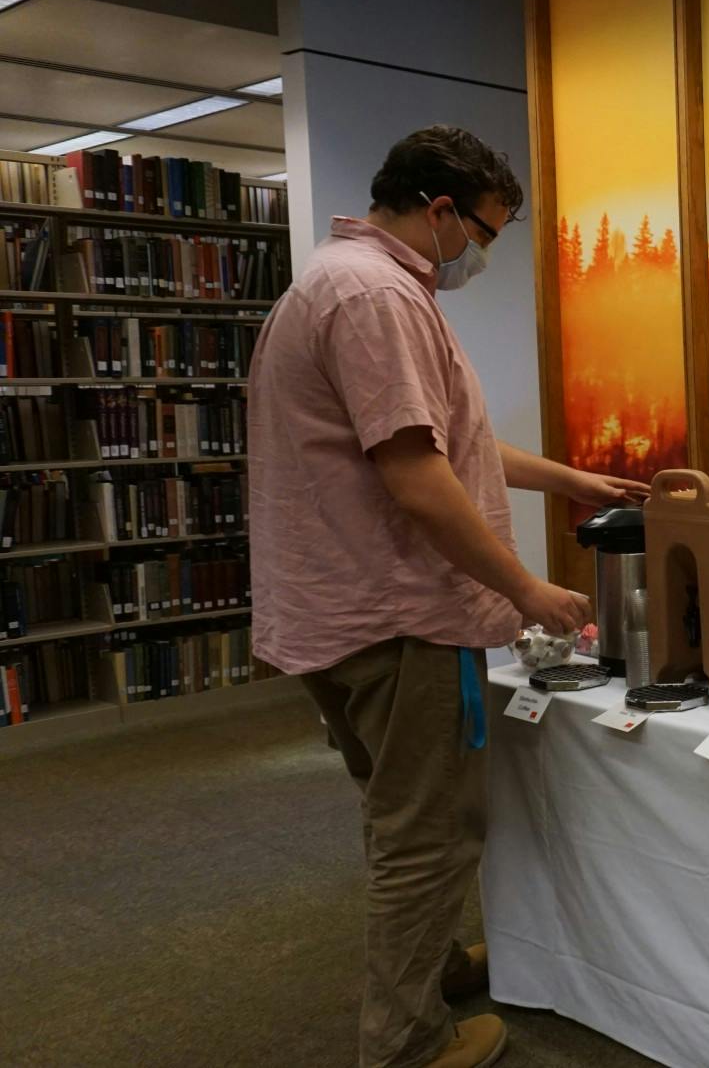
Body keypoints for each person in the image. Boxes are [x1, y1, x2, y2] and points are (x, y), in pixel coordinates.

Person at [247, 125, 647, 1068]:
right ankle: (407, 1042)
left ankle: (422, 970)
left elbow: (451, 437)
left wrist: (571, 483)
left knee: (400, 814)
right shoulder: (379, 295)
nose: (483, 254)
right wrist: (526, 590)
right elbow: (417, 474)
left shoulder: (341, 279)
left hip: (337, 611)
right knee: (428, 834)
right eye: (483, 232)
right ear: (437, 210)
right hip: (398, 619)